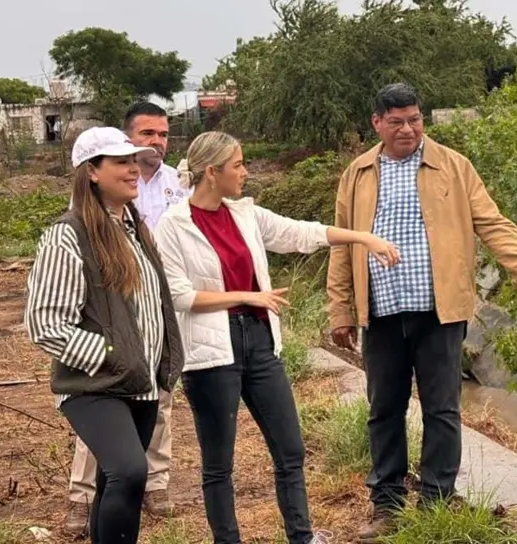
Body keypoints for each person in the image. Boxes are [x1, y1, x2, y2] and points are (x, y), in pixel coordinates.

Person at [325, 83, 517, 541]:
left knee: (442, 408)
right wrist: (340, 309)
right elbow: (343, 245)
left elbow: (495, 226)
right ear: (376, 123)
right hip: (380, 312)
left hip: (440, 310)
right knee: (384, 408)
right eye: (397, 121)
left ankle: (437, 498)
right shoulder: (358, 174)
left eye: (415, 119)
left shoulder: (454, 167)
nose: (408, 129)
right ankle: (386, 504)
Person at [153, 131, 400, 544]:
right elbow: (179, 295)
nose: (245, 172)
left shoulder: (244, 213)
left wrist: (362, 238)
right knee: (219, 463)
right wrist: (250, 295)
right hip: (212, 350)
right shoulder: (173, 225)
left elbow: (301, 233)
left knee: (290, 450)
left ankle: (301, 537)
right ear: (212, 172)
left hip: (260, 341)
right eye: (238, 165)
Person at [25, 126, 185, 544]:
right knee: (130, 471)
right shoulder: (68, 235)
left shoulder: (134, 230)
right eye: (121, 162)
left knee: (117, 483)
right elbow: (45, 323)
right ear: (91, 172)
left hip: (140, 383)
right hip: (95, 383)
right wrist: (109, 353)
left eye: (135, 160)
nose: (134, 169)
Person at [64, 102, 189, 536]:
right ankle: (80, 500)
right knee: (117, 448)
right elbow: (46, 321)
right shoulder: (79, 221)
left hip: (151, 340)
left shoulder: (165, 195)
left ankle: (155, 487)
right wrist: (108, 351)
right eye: (146, 135)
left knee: (147, 428)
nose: (155, 144)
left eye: (163, 135)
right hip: (108, 350)